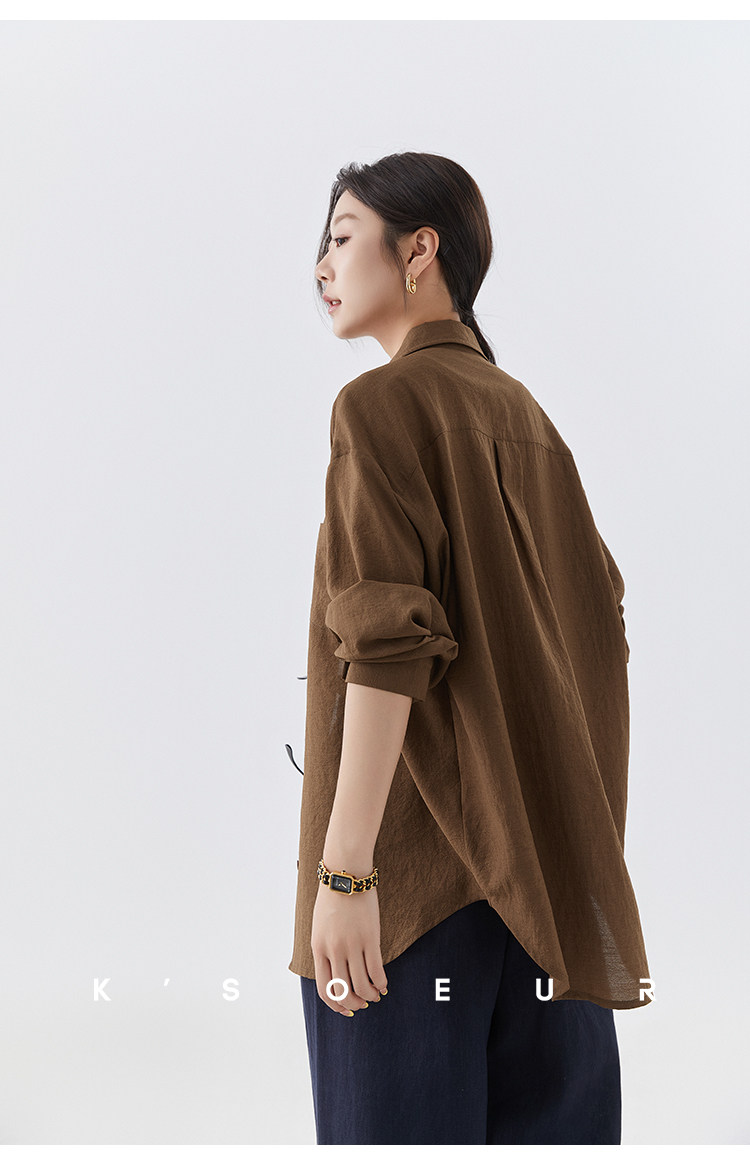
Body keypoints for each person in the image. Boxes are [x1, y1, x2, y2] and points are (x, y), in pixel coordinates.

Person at [287, 151, 652, 1145]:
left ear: (419, 251)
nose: (320, 265)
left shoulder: (379, 407)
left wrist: (347, 876)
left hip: (412, 899)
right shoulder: (529, 422)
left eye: (341, 237)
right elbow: (601, 638)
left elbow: (387, 649)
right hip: (550, 904)